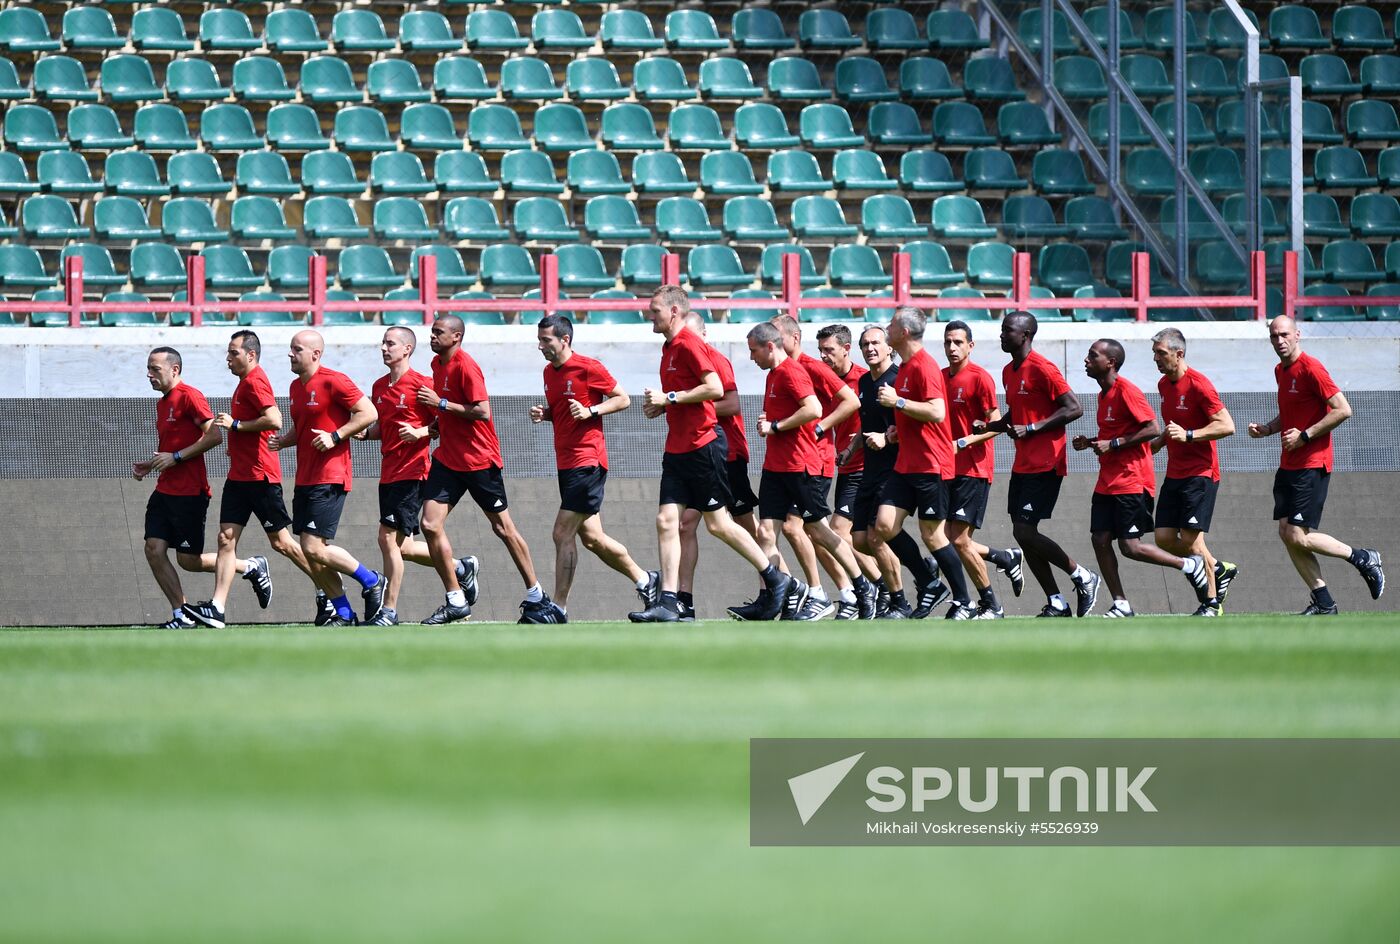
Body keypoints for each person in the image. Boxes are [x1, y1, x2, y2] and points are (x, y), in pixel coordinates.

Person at [629, 285, 796, 622]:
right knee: (668, 522)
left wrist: (670, 398)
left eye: (655, 310)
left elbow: (716, 389)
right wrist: (661, 407)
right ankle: (670, 601)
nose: (650, 315)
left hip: (703, 446)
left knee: (720, 525)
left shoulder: (690, 343)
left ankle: (777, 578)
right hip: (678, 447)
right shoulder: (669, 348)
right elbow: (689, 396)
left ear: (674, 311)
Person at [184, 331, 323, 630]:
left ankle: (327, 589)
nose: (228, 358)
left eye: (233, 352)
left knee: (282, 543)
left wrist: (236, 425)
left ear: (250, 355)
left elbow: (275, 420)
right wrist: (236, 443)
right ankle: (217, 609)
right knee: (225, 539)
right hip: (239, 476)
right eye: (228, 352)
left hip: (260, 476)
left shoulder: (256, 380)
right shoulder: (242, 384)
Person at [1247, 316, 1385, 614]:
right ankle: (1323, 602)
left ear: (1297, 335)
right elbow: (1291, 413)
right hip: (1289, 464)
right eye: (1274, 336)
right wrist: (1268, 429)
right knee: (1287, 533)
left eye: (1284, 334)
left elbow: (1343, 409)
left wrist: (1306, 436)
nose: (1279, 341)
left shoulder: (1312, 367)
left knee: (1297, 534)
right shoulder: (1280, 371)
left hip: (1312, 462)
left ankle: (1362, 557)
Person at [529, 314, 658, 623]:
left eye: (546, 340)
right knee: (592, 539)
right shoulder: (549, 373)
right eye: (539, 340)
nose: (541, 346)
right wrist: (546, 415)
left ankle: (557, 608)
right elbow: (566, 411)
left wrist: (591, 410)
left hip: (587, 461)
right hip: (566, 463)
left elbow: (622, 399)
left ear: (564, 340)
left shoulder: (588, 367)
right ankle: (647, 582)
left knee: (562, 533)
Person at [741, 323, 871, 622]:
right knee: (766, 532)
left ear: (772, 345)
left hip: (801, 465)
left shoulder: (793, 370)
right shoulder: (775, 374)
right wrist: (772, 421)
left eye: (753, 350)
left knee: (816, 530)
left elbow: (813, 408)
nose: (751, 358)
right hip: (776, 465)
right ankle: (778, 593)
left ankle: (860, 586)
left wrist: (777, 425)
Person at [1072, 340, 1213, 617]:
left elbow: (1152, 428)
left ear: (1110, 362)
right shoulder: (1103, 395)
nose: (1086, 360)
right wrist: (1090, 442)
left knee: (1130, 546)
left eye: (1093, 355)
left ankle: (1189, 566)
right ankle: (1121, 604)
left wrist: (1112, 444)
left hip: (1132, 480)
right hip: (1108, 480)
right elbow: (1118, 435)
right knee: (1099, 539)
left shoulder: (1127, 390)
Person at [417, 315, 541, 624]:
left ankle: (537, 595)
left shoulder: (465, 366)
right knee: (430, 525)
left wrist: (442, 405)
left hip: (479, 461)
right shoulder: (437, 365)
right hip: (448, 459)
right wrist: (438, 423)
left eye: (438, 333)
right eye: (431, 332)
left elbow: (482, 411)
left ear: (456, 337)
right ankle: (456, 598)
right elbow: (452, 408)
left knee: (503, 529)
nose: (432, 337)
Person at [134, 347, 267, 629]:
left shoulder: (190, 396)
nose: (149, 374)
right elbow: (171, 450)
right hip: (164, 490)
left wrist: (177, 457)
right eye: (148, 368)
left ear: (175, 370)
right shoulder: (162, 402)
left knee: (188, 560)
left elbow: (215, 435)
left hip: (190, 493)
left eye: (155, 369)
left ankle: (249, 566)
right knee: (153, 549)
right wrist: (152, 464)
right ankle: (182, 613)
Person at [980, 312, 1099, 618]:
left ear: (1026, 334)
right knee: (1022, 534)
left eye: (1008, 330)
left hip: (1047, 461)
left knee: (1025, 530)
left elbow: (1074, 408)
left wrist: (1032, 429)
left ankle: (1081, 575)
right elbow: (1017, 412)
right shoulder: (1009, 371)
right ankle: (1057, 601)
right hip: (1023, 463)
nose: (1002, 335)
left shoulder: (1043, 368)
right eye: (1002, 330)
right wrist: (992, 426)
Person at [360, 326, 475, 627]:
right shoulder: (379, 386)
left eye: (391, 344)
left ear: (407, 349)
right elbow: (381, 429)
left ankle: (388, 612)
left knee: (386, 539)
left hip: (413, 471)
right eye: (383, 343)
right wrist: (362, 433)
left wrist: (421, 431)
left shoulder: (423, 384)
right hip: (389, 472)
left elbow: (442, 424)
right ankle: (460, 568)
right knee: (404, 547)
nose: (384, 348)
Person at [272, 330, 384, 626]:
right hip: (304, 478)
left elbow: (368, 412)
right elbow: (304, 427)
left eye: (296, 349)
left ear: (315, 354)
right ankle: (345, 614)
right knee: (313, 555)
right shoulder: (296, 387)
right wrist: (284, 441)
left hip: (331, 474)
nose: (290, 354)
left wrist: (336, 436)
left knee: (311, 547)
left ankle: (371, 580)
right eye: (290, 349)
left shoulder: (335, 380)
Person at [873, 306, 976, 619]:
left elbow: (937, 412)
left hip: (931, 463)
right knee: (884, 525)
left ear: (903, 333)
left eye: (890, 325)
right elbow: (917, 418)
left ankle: (964, 601)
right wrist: (895, 432)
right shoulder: (905, 366)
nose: (886, 329)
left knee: (933, 535)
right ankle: (929, 581)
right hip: (907, 463)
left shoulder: (925, 366)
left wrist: (898, 402)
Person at [840, 324, 938, 619]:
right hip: (868, 469)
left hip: (895, 469)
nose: (870, 348)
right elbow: (867, 425)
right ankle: (923, 568)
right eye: (865, 344)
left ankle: (900, 602)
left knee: (874, 537)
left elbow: (916, 424)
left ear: (889, 348)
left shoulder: (898, 380)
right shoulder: (865, 383)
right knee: (858, 540)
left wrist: (887, 438)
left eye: (876, 343)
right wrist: (851, 448)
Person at [676, 311, 760, 622]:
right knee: (686, 524)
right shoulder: (683, 362)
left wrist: (688, 401)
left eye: (691, 335)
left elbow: (733, 404)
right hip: (702, 455)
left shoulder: (715, 360)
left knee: (746, 526)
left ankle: (775, 587)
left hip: (729, 454)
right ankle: (684, 600)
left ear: (704, 334)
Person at [1150, 327, 1238, 615]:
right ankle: (1218, 568)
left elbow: (1226, 425)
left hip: (1200, 473)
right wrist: (1160, 441)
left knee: (1191, 540)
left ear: (1179, 354)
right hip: (1175, 472)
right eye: (1154, 354)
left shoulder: (1199, 384)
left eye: (1161, 354)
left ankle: (1212, 602)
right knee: (1163, 538)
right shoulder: (1164, 385)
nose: (1156, 359)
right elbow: (1173, 427)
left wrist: (1189, 435)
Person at [941, 320, 1024, 619]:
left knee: (959, 540)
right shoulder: (940, 378)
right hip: (947, 469)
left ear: (970, 346)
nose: (952, 348)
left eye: (958, 342)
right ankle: (1004, 557)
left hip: (974, 469)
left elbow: (997, 424)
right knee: (950, 539)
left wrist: (962, 442)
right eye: (948, 342)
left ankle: (992, 605)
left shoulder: (980, 378)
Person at [816, 324, 884, 619]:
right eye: (820, 350)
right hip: (845, 468)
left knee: (839, 532)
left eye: (829, 350)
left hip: (866, 468)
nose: (823, 356)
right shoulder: (823, 379)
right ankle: (870, 590)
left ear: (846, 349)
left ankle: (876, 588)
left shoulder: (864, 380)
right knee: (860, 538)